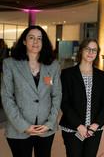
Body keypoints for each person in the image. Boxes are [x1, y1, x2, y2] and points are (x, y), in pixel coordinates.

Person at [1, 25, 62, 157]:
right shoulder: (10, 64)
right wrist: (23, 126)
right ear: (24, 41)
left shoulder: (52, 65)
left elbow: (57, 95)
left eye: (39, 38)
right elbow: (7, 97)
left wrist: (50, 123)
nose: (36, 42)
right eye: (32, 38)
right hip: (19, 129)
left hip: (45, 128)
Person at [59, 38, 104, 157]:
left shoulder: (102, 76)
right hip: (73, 128)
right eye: (88, 49)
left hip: (94, 129)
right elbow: (64, 103)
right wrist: (79, 126)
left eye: (94, 50)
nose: (91, 52)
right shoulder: (67, 74)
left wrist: (95, 125)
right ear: (81, 51)